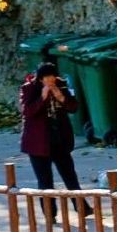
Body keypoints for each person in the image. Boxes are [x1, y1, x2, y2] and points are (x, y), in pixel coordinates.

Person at [19, 61, 86, 220]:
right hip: (38, 143)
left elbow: (73, 107)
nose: (50, 81)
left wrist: (61, 97)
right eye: (46, 78)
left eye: (52, 77)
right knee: (45, 181)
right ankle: (50, 214)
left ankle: (82, 208)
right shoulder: (28, 88)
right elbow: (27, 111)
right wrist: (42, 98)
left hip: (59, 140)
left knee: (70, 176)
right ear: (40, 79)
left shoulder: (62, 86)